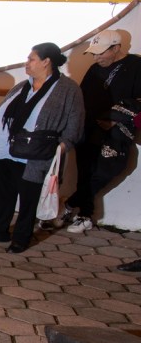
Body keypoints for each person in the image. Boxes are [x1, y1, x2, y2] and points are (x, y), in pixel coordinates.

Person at [0, 43, 83, 253]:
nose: (26, 63)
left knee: (28, 198)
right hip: (3, 149)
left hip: (34, 155)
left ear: (46, 62)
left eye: (31, 59)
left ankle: (21, 238)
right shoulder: (22, 86)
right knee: (1, 193)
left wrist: (62, 146)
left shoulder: (68, 89)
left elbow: (75, 122)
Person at [63, 30, 141, 235]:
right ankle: (85, 215)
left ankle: (71, 202)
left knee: (110, 169)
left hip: (116, 130)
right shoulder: (94, 69)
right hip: (88, 127)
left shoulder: (136, 66)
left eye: (101, 53)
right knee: (84, 171)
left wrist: (116, 118)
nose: (96, 58)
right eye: (94, 54)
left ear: (116, 48)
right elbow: (82, 96)